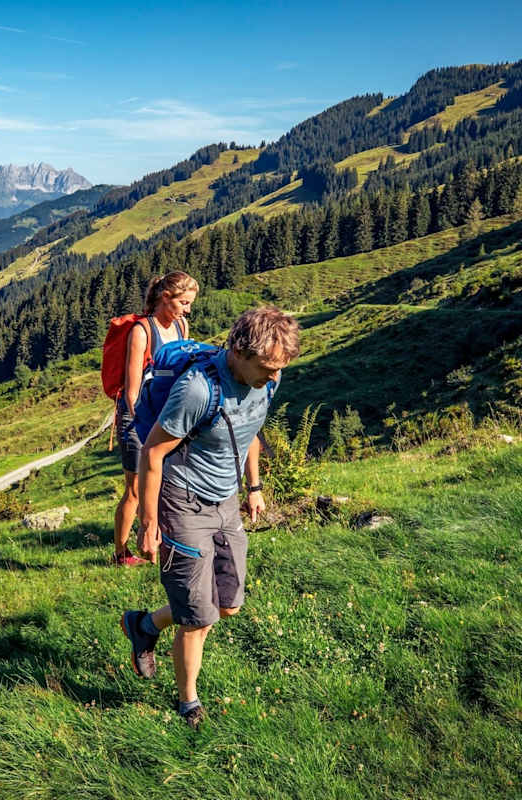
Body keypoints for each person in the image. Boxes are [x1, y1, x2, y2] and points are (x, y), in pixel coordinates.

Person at [120, 306, 300, 727]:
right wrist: (149, 525)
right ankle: (188, 703)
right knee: (198, 618)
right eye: (267, 367)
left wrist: (253, 487)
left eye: (280, 368)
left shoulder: (267, 379)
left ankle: (144, 624)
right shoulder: (198, 390)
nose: (274, 377)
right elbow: (152, 451)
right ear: (238, 349)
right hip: (183, 504)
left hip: (227, 501)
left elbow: (251, 428)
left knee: (227, 606)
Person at [112, 271, 199, 566]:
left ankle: (157, 544)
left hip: (168, 415)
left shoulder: (181, 326)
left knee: (165, 484)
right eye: (184, 302)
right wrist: (147, 430)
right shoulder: (142, 331)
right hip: (139, 417)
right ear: (166, 298)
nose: (187, 309)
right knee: (136, 489)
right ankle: (122, 553)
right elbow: (132, 393)